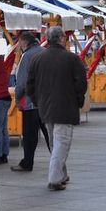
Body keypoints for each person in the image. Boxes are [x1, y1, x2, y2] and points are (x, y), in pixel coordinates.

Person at [27, 26, 87, 191]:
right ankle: (54, 178)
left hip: (46, 108)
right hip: (65, 107)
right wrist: (78, 101)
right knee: (62, 143)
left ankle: (62, 174)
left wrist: (37, 101)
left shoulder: (38, 59)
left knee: (55, 143)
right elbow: (81, 83)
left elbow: (29, 85)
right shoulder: (71, 59)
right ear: (61, 39)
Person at [11, 32, 47, 172]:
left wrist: (18, 98)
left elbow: (21, 82)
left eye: (19, 43)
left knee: (30, 136)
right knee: (49, 135)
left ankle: (27, 162)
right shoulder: (45, 52)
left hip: (30, 102)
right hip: (46, 101)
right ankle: (59, 164)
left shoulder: (27, 56)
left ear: (24, 43)